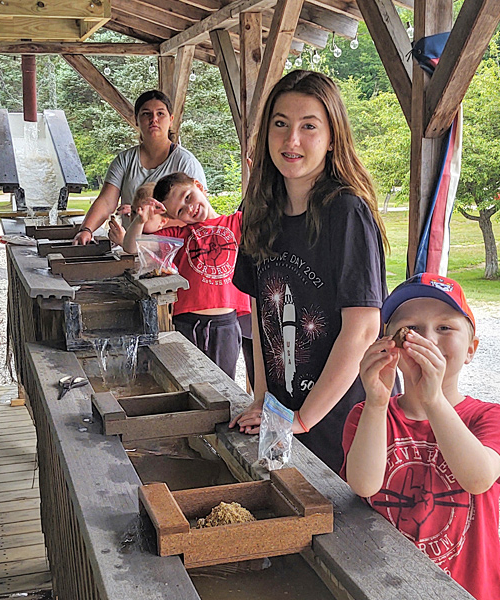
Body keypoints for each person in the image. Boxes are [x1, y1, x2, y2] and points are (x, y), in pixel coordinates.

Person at [229, 70, 389, 474]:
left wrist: (302, 419)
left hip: (340, 420)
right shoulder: (257, 211)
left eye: (308, 126)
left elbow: (363, 330)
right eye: (280, 124)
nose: (291, 140)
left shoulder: (347, 212)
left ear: (332, 137)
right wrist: (263, 401)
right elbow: (260, 314)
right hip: (283, 416)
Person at [342, 273, 500, 600]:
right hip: (384, 583)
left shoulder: (488, 417)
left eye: (445, 328)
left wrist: (434, 400)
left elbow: (479, 477)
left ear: (470, 350)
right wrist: (376, 401)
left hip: (468, 589)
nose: (427, 339)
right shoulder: (367, 413)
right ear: (389, 347)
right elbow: (363, 485)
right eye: (410, 329)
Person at [123, 172, 251, 380]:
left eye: (188, 197)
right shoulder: (180, 236)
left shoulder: (237, 222)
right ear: (174, 219)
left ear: (198, 185)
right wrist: (140, 220)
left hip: (226, 323)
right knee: (187, 383)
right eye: (181, 210)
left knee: (224, 385)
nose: (189, 208)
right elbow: (131, 246)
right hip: (186, 322)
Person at [73, 90, 206, 245]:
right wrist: (86, 230)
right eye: (146, 114)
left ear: (171, 120)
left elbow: (198, 215)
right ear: (136, 120)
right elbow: (107, 202)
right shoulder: (125, 160)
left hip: (171, 251)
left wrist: (144, 217)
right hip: (129, 249)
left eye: (160, 114)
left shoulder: (185, 162)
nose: (153, 119)